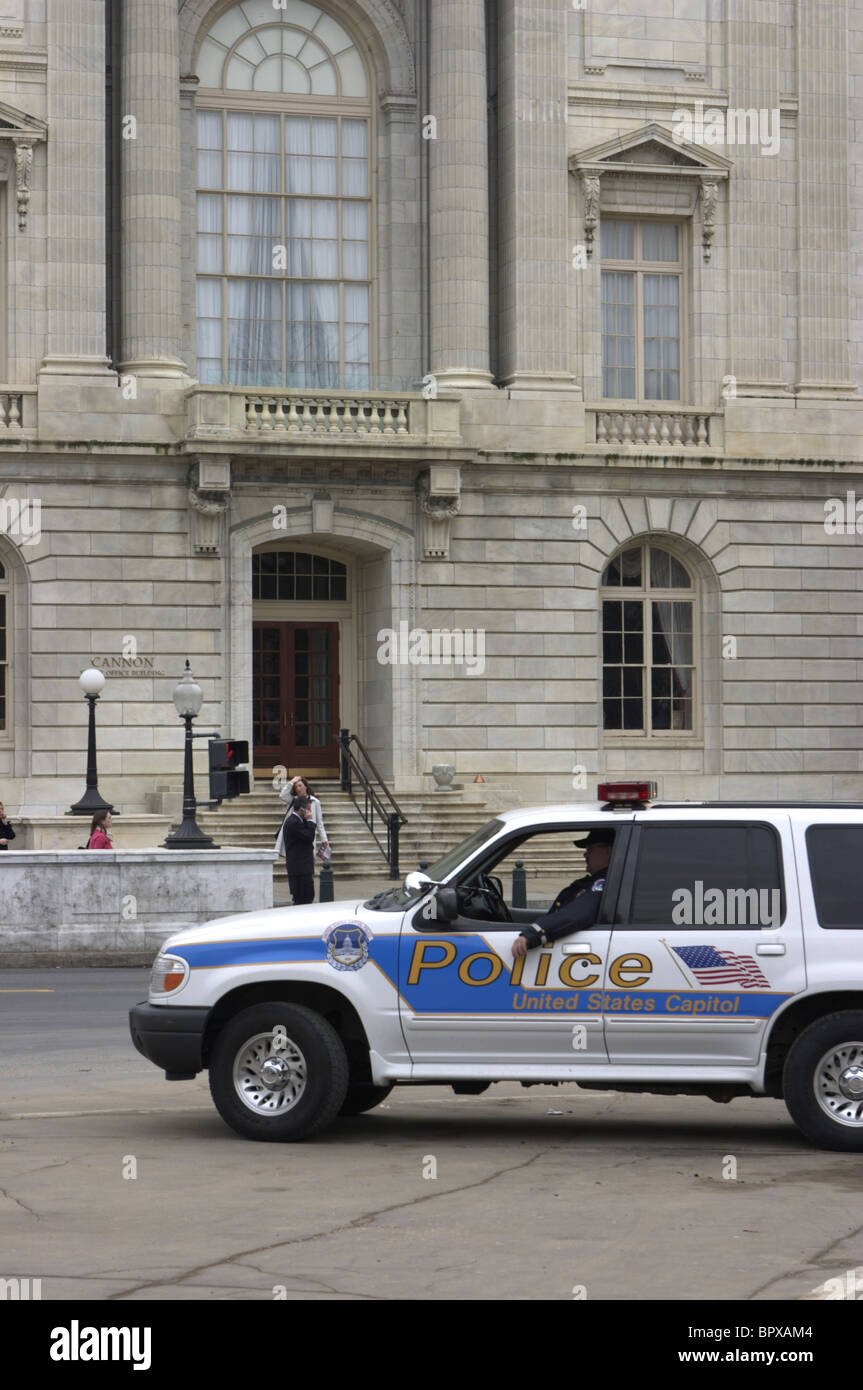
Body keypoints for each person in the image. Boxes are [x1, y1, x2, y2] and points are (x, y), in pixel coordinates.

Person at [511, 828, 614, 959]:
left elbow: (577, 913)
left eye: (590, 849)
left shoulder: (602, 884)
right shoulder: (593, 881)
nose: (585, 855)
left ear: (608, 851)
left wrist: (534, 933)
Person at [276, 775, 330, 864]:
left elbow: (320, 823)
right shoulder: (293, 800)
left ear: (306, 786)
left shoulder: (315, 802)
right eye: (296, 787)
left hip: (308, 835)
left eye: (300, 785)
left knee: (308, 863)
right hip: (296, 835)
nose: (298, 789)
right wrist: (291, 782)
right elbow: (282, 795)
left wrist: (324, 840)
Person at [280, 796, 316, 905]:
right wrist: (310, 821)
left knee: (308, 896)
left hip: (303, 867)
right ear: (302, 809)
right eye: (308, 809)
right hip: (299, 869)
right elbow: (309, 837)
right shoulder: (293, 823)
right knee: (302, 899)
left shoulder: (299, 821)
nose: (310, 812)